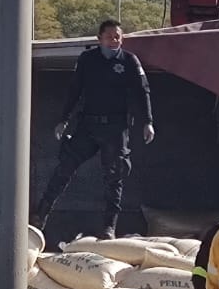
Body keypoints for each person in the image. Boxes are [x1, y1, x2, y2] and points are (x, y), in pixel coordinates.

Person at [31, 19, 155, 240]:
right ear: (99, 39)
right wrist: (64, 119)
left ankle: (109, 227)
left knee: (114, 176)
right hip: (88, 125)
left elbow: (142, 91)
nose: (114, 41)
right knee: (65, 167)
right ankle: (40, 216)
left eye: (118, 37)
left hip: (116, 128)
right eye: (109, 37)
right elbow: (74, 90)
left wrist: (148, 121)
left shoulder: (129, 61)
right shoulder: (88, 60)